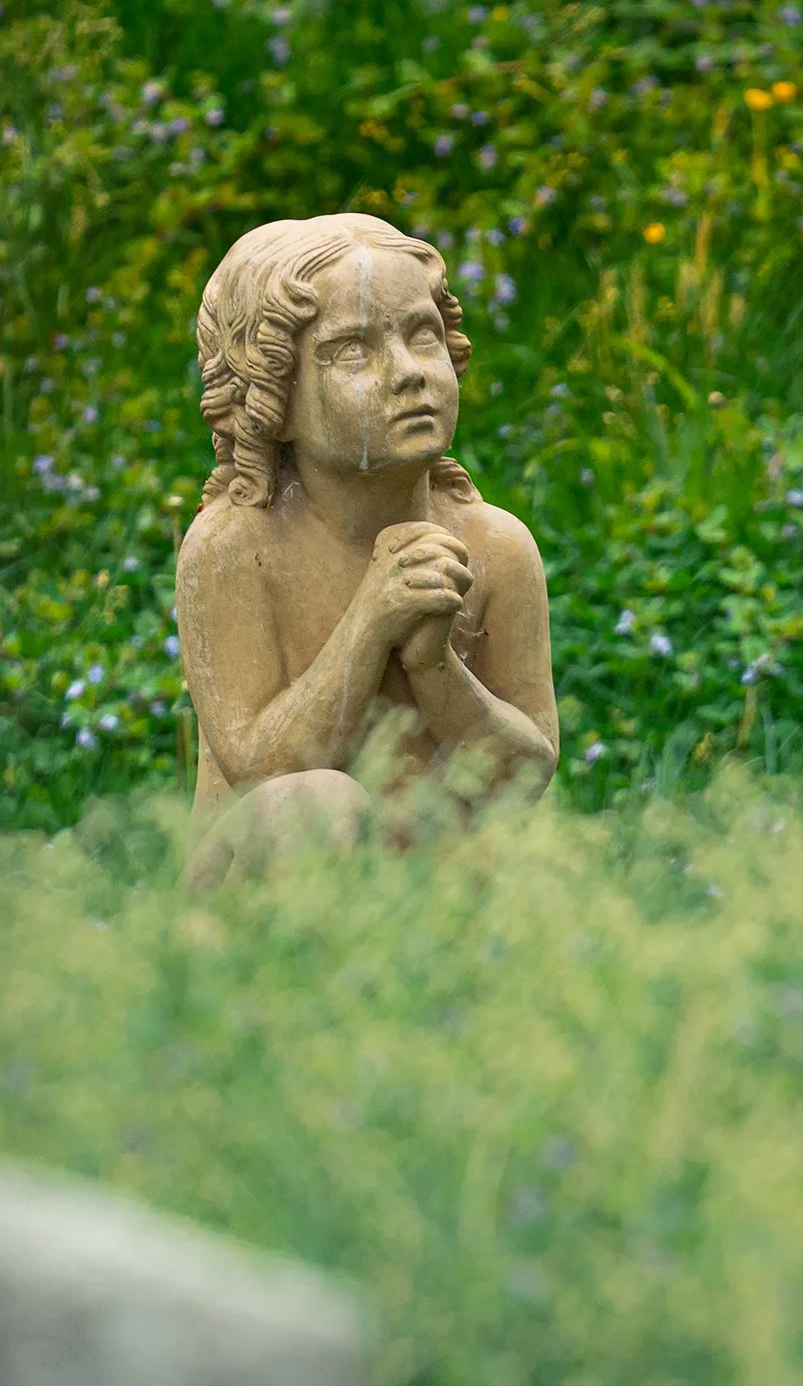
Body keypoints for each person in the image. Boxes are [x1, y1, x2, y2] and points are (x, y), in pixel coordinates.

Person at [174, 213, 557, 888]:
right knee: (319, 804)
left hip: (429, 895)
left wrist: (434, 664)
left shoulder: (496, 547)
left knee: (525, 859)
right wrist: (370, 620)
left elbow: (525, 775)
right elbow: (266, 771)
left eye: (423, 337)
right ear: (273, 395)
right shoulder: (234, 548)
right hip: (257, 884)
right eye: (352, 351)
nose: (409, 373)